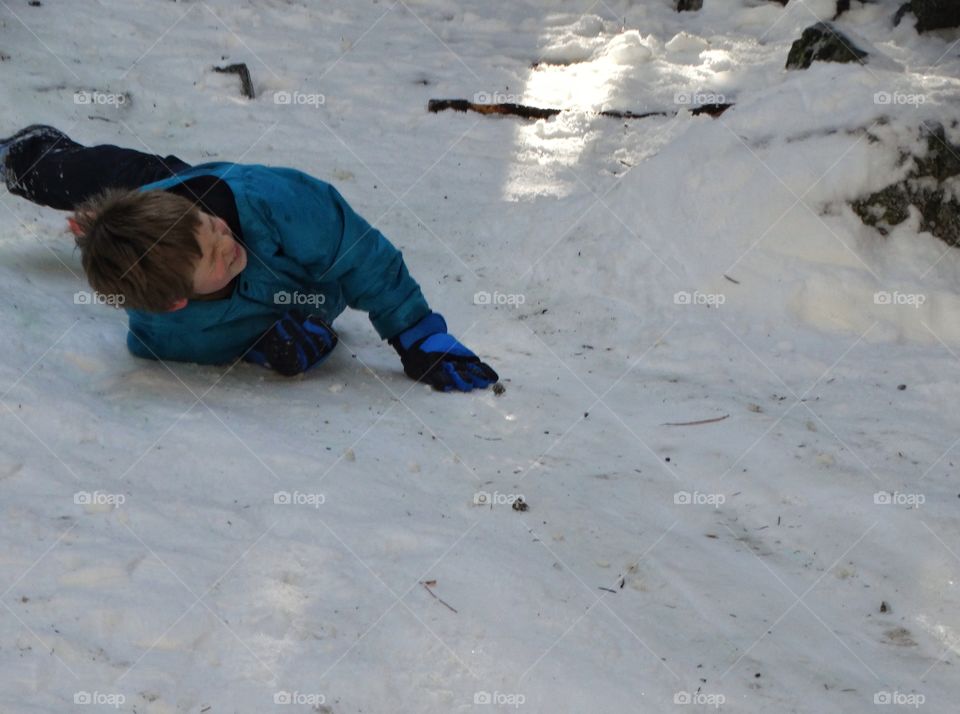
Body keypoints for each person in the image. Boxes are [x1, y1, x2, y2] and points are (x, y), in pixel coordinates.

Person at [0, 125, 498, 392]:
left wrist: (417, 332)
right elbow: (174, 342)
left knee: (100, 176)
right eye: (215, 254)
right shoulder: (163, 333)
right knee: (81, 196)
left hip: (180, 188)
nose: (227, 243)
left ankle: (42, 166)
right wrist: (260, 344)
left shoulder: (281, 204)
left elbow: (360, 254)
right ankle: (56, 181)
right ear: (176, 302)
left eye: (216, 231)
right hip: (168, 231)